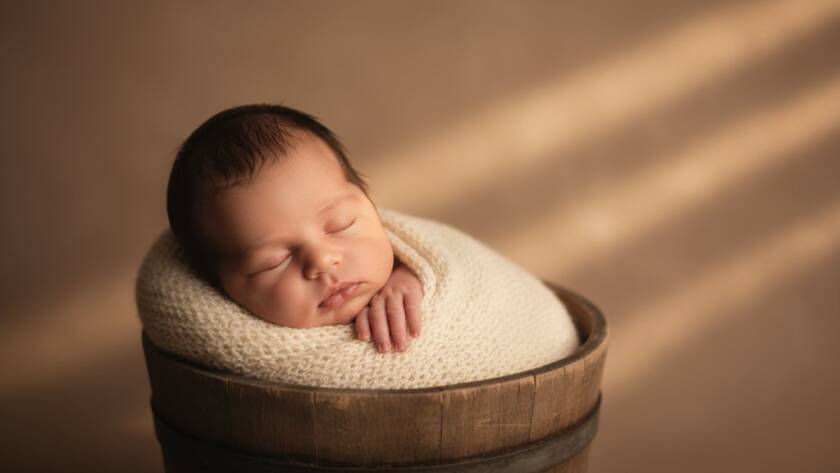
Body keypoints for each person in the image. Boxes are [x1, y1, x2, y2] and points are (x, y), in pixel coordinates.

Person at [166, 104, 423, 354]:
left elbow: (452, 259)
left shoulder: (412, 269)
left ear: (368, 198)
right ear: (220, 288)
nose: (322, 261)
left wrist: (412, 275)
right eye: (274, 262)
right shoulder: (246, 351)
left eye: (341, 224)